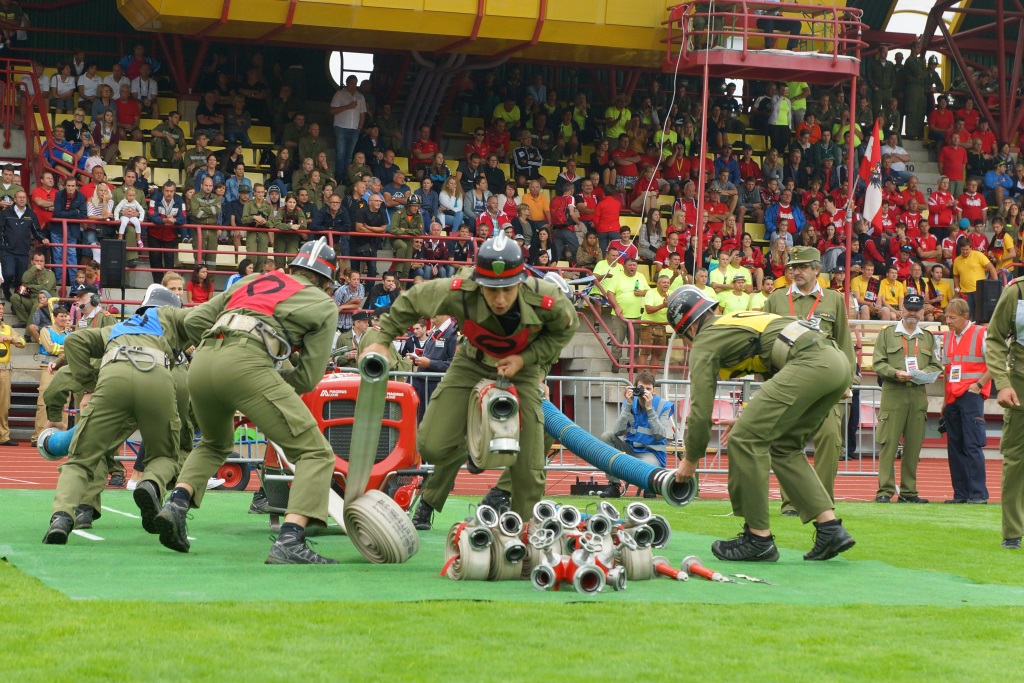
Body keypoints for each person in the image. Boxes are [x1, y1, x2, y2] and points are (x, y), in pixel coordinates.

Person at [361, 235, 578, 527]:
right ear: (478, 283)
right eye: (491, 290)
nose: (499, 300)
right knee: (432, 445)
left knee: (529, 467)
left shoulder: (548, 299)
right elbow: (413, 300)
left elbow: (566, 329)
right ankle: (471, 443)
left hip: (521, 370)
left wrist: (526, 359)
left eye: (507, 289)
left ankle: (525, 536)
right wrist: (383, 339)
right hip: (471, 362)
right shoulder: (460, 290)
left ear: (522, 282)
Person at [154, 238, 342, 564]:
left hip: (203, 361)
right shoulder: (324, 305)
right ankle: (291, 540)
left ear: (292, 266)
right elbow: (308, 378)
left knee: (214, 443)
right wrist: (268, 376)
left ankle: (177, 503)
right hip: (248, 364)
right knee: (315, 453)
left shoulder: (252, 279)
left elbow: (194, 323)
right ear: (326, 282)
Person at [669, 286, 856, 562]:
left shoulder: (704, 340)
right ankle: (830, 529)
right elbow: (779, 364)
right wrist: (746, 417)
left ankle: (758, 539)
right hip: (835, 361)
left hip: (810, 363)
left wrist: (691, 458)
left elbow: (700, 409)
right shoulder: (737, 319)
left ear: (690, 328)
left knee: (744, 439)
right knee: (783, 445)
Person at [42, 285, 194, 545]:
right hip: (160, 379)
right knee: (167, 454)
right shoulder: (173, 319)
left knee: (82, 458)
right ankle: (151, 484)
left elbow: (74, 342)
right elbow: (207, 320)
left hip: (113, 382)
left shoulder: (118, 327)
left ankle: (64, 517)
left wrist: (89, 383)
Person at [762, 246, 856, 515]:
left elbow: (844, 343)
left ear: (817, 269)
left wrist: (846, 381)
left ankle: (819, 502)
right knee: (784, 443)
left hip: (824, 385)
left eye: (803, 267)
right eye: (793, 267)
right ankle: (791, 502)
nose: (797, 272)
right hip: (787, 384)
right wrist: (767, 382)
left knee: (830, 438)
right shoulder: (776, 299)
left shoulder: (833, 300)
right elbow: (763, 342)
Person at [872, 294, 943, 504]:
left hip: (918, 395)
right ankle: (885, 490)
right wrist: (895, 373)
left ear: (922, 311)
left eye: (916, 309)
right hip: (894, 393)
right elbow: (878, 363)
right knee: (888, 444)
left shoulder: (928, 337)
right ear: (902, 309)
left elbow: (936, 365)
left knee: (913, 446)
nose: (912, 313)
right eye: (909, 309)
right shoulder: (887, 334)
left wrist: (923, 373)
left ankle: (908, 492)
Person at [986, 277, 1024, 548]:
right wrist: (1003, 383)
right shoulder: (1016, 291)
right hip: (1020, 387)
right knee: (1016, 460)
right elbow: (995, 338)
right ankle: (1013, 532)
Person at [941, 298, 991, 505]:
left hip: (971, 395)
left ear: (965, 317)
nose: (948, 321)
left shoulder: (981, 334)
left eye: (952, 318)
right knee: (955, 447)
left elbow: (995, 364)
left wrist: (978, 386)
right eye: (946, 317)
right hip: (953, 397)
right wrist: (945, 400)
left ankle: (977, 494)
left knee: (972, 445)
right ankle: (960, 494)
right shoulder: (947, 337)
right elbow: (947, 371)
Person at [599, 370, 673, 498]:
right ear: (634, 389)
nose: (644, 392)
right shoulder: (630, 403)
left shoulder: (663, 406)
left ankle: (649, 487)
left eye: (648, 389)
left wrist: (650, 409)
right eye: (641, 388)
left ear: (654, 391)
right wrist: (628, 405)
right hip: (630, 450)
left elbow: (660, 435)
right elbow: (617, 431)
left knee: (648, 465)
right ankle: (614, 486)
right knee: (607, 436)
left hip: (652, 453)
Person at [409, 313, 458, 422]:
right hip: (425, 384)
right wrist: (418, 360)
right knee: (422, 420)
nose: (432, 313)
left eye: (437, 310)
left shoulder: (453, 333)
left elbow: (455, 364)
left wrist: (430, 363)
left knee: (433, 421)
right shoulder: (435, 331)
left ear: (446, 313)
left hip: (437, 386)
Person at [0, 300, 25, 446]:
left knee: (3, 404)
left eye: (2, 309)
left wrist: (10, 338)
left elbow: (23, 343)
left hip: (4, 370)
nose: (1, 311)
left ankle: (3, 436)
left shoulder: (8, 328)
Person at [11, 251, 53, 327]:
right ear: (32, 262)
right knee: (14, 297)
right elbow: (24, 280)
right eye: (36, 261)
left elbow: (45, 288)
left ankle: (29, 328)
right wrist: (34, 268)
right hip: (31, 299)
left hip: (43, 302)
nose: (39, 263)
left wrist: (29, 286)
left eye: (41, 261)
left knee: (36, 305)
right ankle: (24, 321)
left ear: (44, 263)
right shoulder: (30, 272)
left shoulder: (49, 273)